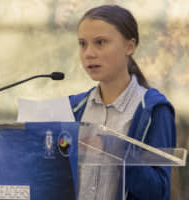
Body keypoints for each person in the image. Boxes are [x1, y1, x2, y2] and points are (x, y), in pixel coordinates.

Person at [69, 4, 176, 200]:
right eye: (83, 44)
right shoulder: (72, 107)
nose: (88, 53)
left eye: (100, 42)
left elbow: (158, 192)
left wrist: (112, 147)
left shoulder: (154, 110)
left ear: (130, 46)